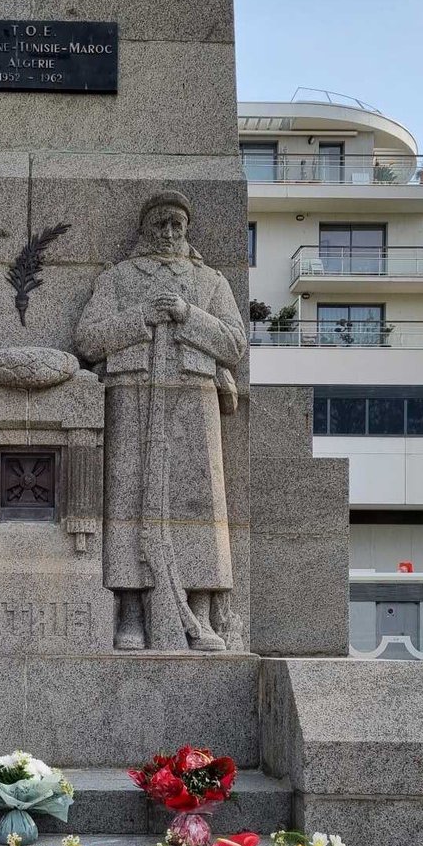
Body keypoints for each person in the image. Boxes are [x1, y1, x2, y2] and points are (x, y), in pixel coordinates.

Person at [75, 190, 246, 651]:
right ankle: (131, 611)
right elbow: (88, 340)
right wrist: (140, 318)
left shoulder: (211, 283)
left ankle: (204, 614)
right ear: (144, 230)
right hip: (132, 396)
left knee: (200, 502)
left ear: (187, 230)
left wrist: (188, 316)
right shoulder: (118, 279)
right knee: (130, 498)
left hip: (193, 399)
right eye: (160, 225)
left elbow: (234, 345)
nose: (168, 233)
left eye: (177, 225)